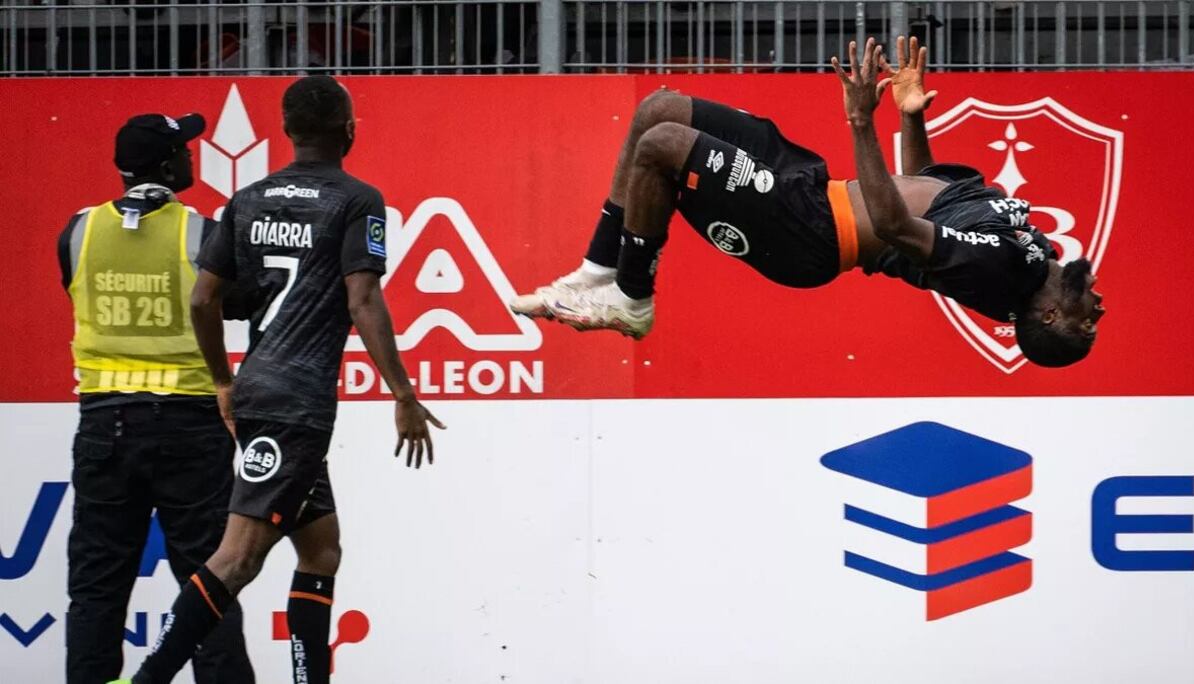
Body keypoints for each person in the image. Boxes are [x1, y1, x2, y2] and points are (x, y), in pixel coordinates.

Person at [116, 75, 445, 684]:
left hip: (261, 391)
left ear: (289, 132)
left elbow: (205, 300)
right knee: (237, 559)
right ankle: (147, 679)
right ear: (348, 130)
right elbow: (364, 299)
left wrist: (223, 380)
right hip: (295, 406)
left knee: (321, 549)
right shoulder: (357, 200)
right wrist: (403, 392)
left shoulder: (246, 199)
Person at [511, 36, 1105, 367]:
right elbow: (924, 190)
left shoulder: (1000, 273)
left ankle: (632, 298)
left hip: (807, 232)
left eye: (1085, 329)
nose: (1098, 314)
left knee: (665, 145)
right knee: (658, 110)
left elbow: (897, 226)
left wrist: (861, 121)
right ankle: (600, 270)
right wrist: (909, 115)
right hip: (810, 189)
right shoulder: (1029, 254)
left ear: (1049, 317)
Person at [58, 113, 254, 683]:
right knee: (208, 583)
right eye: (185, 151)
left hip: (103, 428)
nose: (193, 158)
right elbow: (236, 302)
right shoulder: (202, 232)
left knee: (96, 587)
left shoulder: (77, 232)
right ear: (168, 166)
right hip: (190, 425)